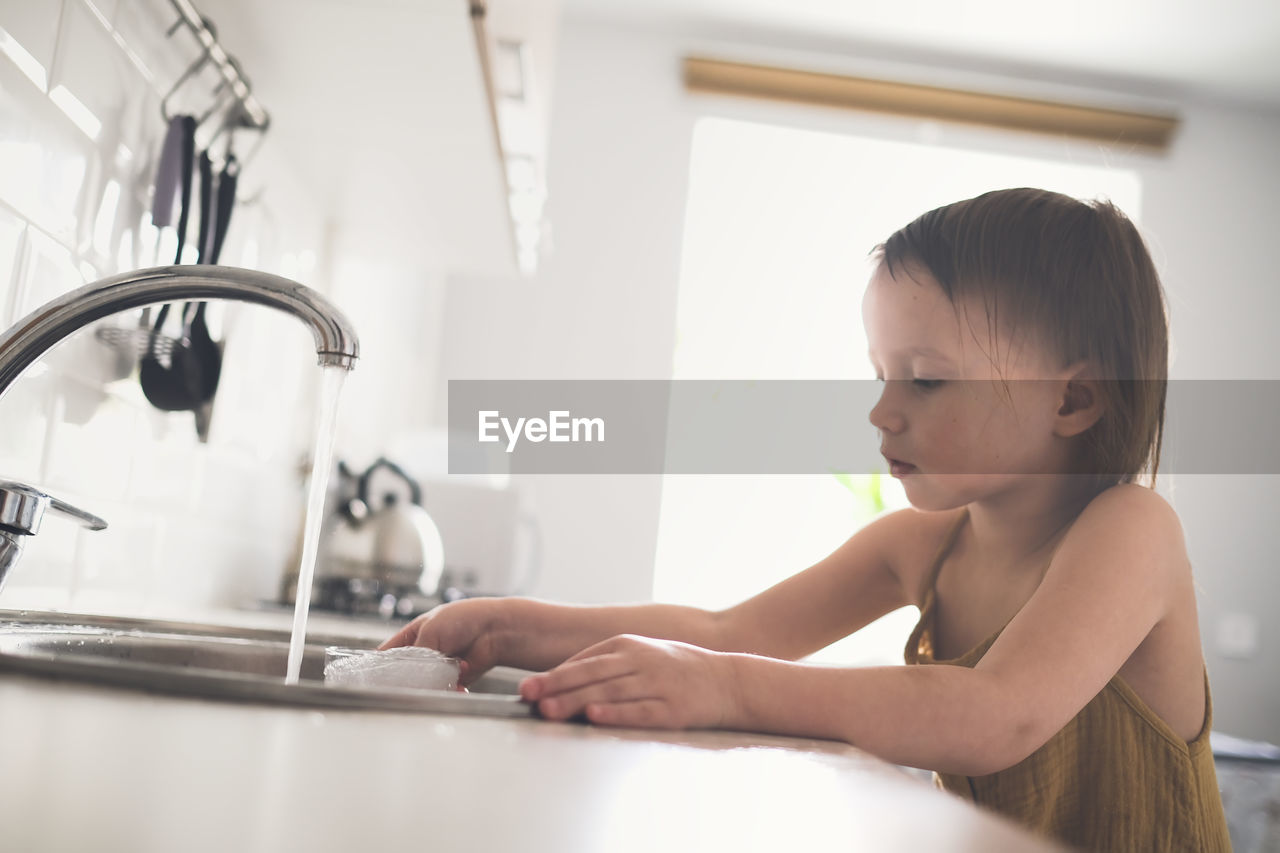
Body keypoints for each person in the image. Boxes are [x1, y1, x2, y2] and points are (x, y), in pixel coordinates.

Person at [382, 188, 1231, 851]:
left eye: (926, 380)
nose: (882, 413)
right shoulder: (923, 546)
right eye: (881, 375)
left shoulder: (1132, 529)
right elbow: (731, 629)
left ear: (1074, 399)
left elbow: (994, 713)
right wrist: (510, 622)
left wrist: (721, 685)